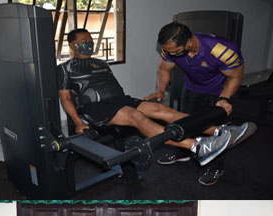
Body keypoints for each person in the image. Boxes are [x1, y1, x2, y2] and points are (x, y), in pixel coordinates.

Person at [57, 28, 243, 170]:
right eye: (84, 41)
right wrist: (78, 122)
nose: (89, 43)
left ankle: (220, 131)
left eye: (90, 40)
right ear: (73, 45)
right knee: (136, 117)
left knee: (163, 110)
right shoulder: (65, 68)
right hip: (97, 107)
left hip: (121, 100)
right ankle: (198, 146)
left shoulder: (101, 63)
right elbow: (65, 98)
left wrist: (158, 93)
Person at [151, 22, 258, 185]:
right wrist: (160, 91)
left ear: (189, 42)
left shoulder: (223, 50)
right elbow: (164, 69)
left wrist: (224, 99)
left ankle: (216, 167)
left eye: (176, 51)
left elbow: (235, 76)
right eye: (168, 51)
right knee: (185, 122)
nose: (171, 54)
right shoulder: (170, 49)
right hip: (192, 87)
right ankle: (183, 152)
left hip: (220, 91)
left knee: (217, 130)